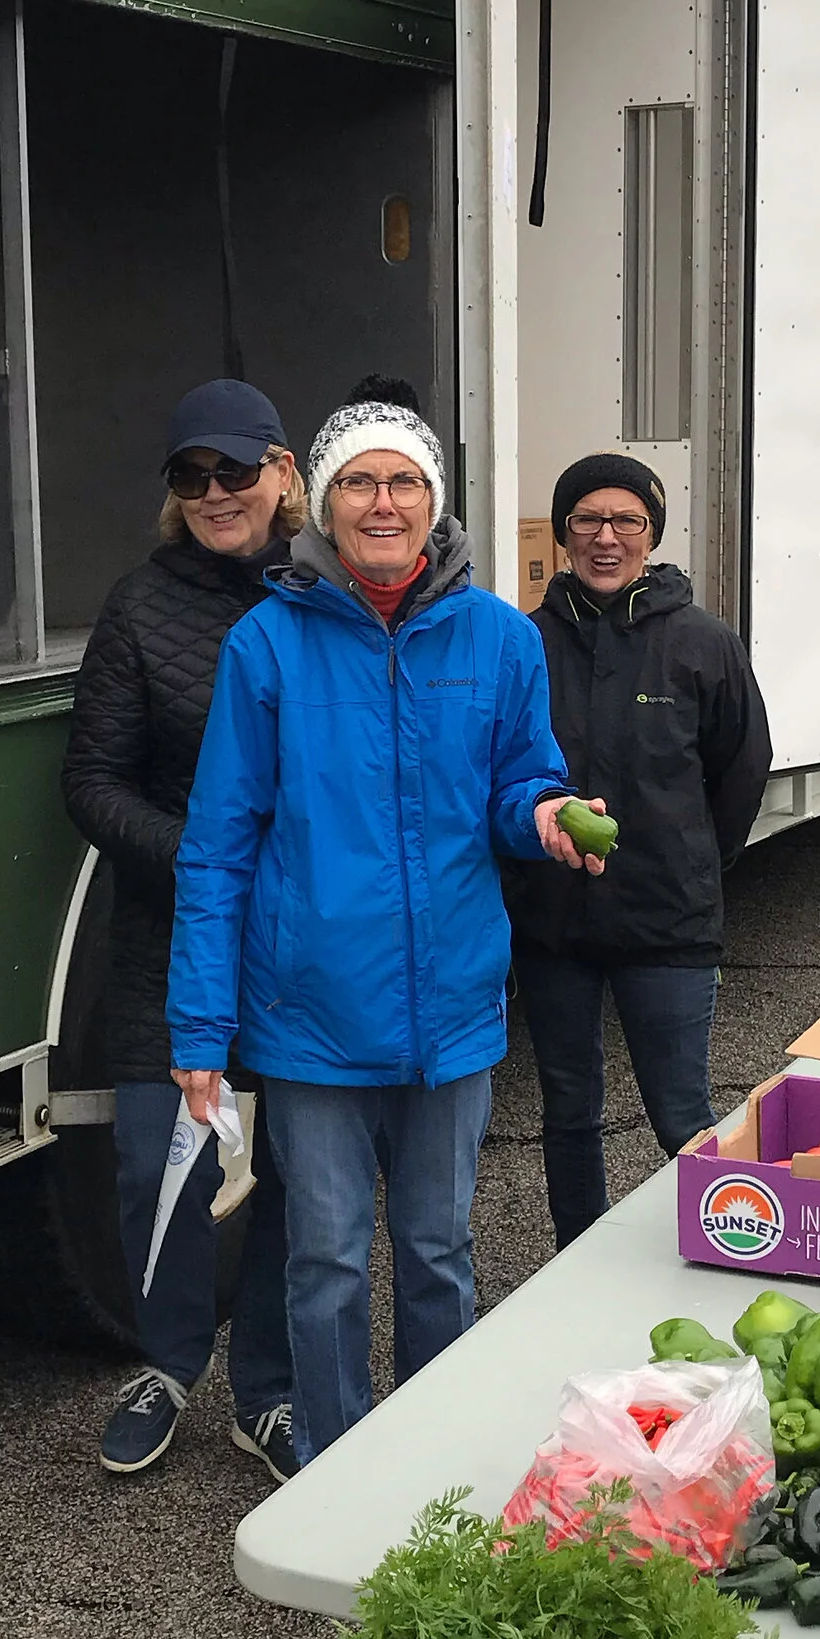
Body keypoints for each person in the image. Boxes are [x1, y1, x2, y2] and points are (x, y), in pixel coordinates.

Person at [167, 394, 602, 1468]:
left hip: (450, 1003)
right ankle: (333, 1465)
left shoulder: (499, 637)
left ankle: (433, 1465)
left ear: (433, 501)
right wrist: (197, 1024)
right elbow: (219, 843)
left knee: (440, 1251)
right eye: (358, 482)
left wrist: (544, 813)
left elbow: (519, 780)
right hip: (311, 1012)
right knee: (321, 1260)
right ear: (321, 502)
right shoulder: (268, 645)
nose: (382, 502)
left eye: (402, 481)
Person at [61, 380, 302, 1480]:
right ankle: (165, 1368)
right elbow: (93, 785)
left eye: (234, 470)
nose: (214, 493)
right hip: (166, 938)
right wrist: (204, 859)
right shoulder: (139, 606)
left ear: (282, 474)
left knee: (292, 1169)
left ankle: (268, 1392)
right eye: (189, 476)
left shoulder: (322, 598)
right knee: (162, 1164)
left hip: (298, 945)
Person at [504, 452, 772, 1247]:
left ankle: (725, 1247)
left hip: (668, 923)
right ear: (563, 534)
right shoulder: (525, 643)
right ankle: (575, 1256)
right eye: (587, 519)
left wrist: (696, 860)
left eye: (627, 520)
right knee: (569, 1106)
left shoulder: (699, 642)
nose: (606, 537)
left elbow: (743, 765)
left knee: (680, 1109)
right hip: (555, 925)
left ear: (651, 532)